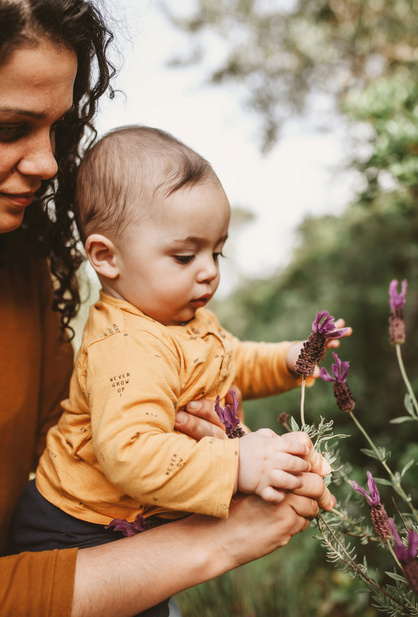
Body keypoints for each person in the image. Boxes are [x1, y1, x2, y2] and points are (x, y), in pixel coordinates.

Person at [0, 1, 338, 616]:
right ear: (107, 257)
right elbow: (129, 452)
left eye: (217, 252)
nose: (49, 164)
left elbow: (233, 361)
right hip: (73, 534)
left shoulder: (174, 321)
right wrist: (235, 461)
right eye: (8, 128)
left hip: (123, 536)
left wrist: (296, 358)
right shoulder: (125, 344)